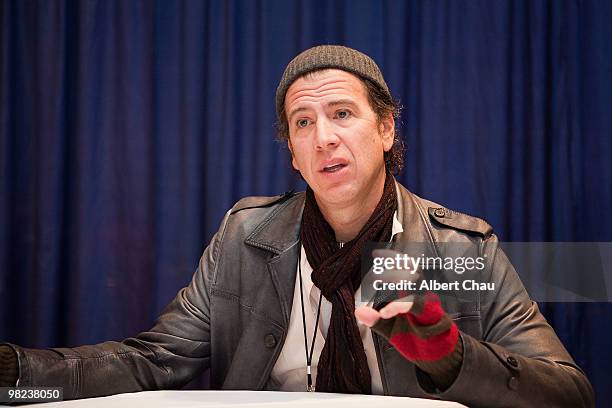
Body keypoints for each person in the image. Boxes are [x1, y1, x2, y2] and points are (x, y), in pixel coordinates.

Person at [0, 45, 594, 407]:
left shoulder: (459, 249)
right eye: (302, 123)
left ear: (386, 131)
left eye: (342, 114)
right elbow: (149, 362)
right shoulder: (244, 238)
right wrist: (18, 376)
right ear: (292, 153)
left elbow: (569, 394)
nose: (324, 137)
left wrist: (450, 356)